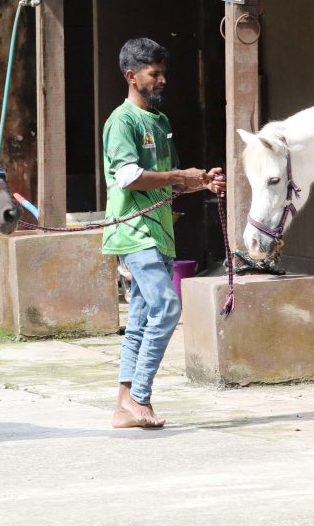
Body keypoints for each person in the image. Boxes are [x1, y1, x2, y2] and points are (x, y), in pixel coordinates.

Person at [102, 38, 226, 428]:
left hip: (159, 233)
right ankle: (140, 397)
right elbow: (128, 177)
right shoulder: (121, 122)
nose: (162, 80)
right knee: (167, 307)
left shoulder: (160, 121)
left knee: (141, 315)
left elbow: (169, 183)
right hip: (134, 231)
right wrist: (179, 176)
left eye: (163, 73)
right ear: (131, 76)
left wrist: (201, 181)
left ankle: (127, 407)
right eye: (154, 74)